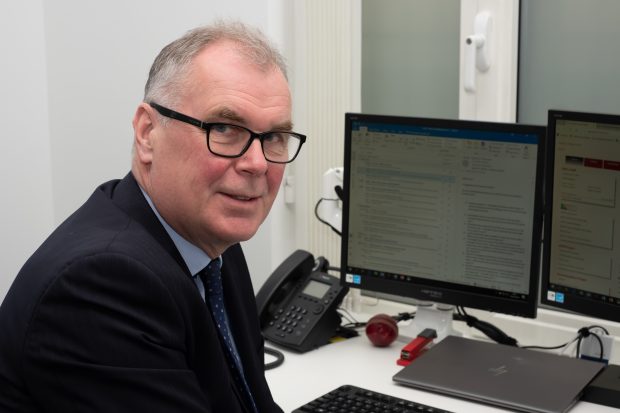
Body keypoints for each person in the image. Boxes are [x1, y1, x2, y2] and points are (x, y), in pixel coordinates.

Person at [0, 20, 305, 413]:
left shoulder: (213, 246)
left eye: (275, 137)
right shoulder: (101, 283)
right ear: (147, 133)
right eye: (226, 128)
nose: (257, 163)